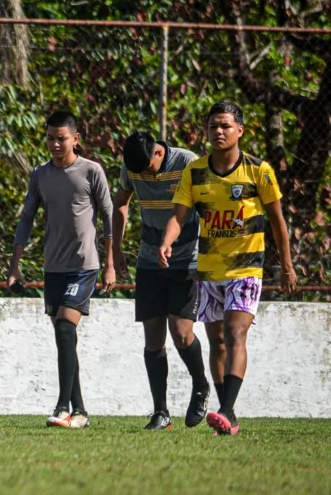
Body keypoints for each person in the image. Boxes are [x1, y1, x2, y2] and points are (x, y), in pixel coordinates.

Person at [159, 100, 297, 436]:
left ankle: (226, 409)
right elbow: (179, 215)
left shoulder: (258, 171)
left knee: (236, 334)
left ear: (240, 131)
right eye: (212, 126)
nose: (218, 131)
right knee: (218, 342)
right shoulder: (196, 172)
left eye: (225, 126)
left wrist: (288, 266)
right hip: (208, 270)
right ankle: (228, 417)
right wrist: (167, 240)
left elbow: (278, 221)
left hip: (247, 268)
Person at [7, 111, 115, 429]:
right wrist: (15, 266)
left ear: (75, 139)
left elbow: (109, 216)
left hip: (84, 265)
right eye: (51, 138)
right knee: (63, 336)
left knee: (66, 328)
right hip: (53, 266)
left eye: (62, 138)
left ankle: (63, 406)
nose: (55, 144)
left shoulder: (91, 171)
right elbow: (26, 218)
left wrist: (110, 264)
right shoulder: (40, 174)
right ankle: (80, 412)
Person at [113, 131, 210, 430]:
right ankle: (161, 412)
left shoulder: (188, 163)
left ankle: (200, 385)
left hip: (186, 257)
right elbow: (121, 203)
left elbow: (207, 209)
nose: (141, 176)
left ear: (158, 153)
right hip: (149, 258)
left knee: (181, 333)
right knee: (153, 336)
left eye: (146, 170)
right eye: (136, 172)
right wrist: (115, 250)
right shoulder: (132, 166)